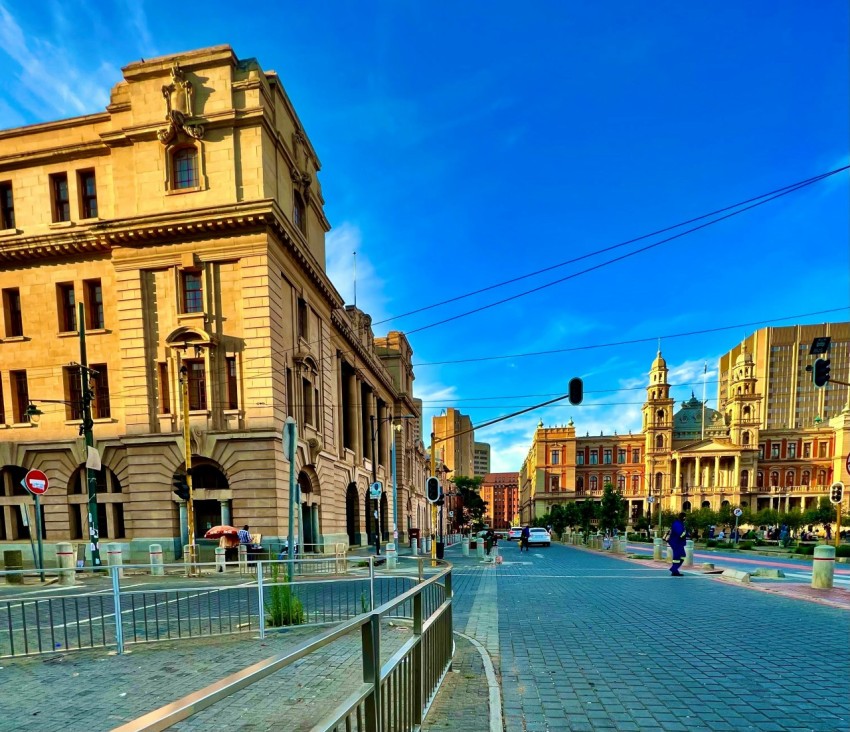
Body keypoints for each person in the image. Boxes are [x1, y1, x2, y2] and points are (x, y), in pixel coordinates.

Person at [666, 512, 688, 577]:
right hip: (676, 543)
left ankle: (674, 570)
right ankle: (674, 570)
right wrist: (687, 533)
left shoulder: (679, 523)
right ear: (683, 517)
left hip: (678, 543)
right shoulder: (677, 524)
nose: (685, 519)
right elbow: (680, 534)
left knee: (682, 555)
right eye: (685, 517)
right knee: (677, 557)